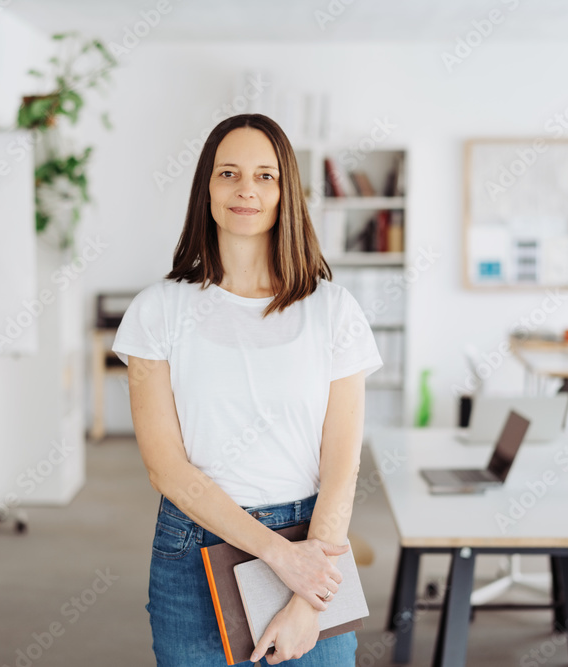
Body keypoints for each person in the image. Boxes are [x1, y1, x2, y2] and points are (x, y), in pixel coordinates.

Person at [113, 113, 382, 666]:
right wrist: (280, 558)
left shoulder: (332, 310)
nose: (246, 190)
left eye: (265, 176)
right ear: (206, 188)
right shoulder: (157, 311)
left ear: (287, 191)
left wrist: (308, 594)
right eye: (228, 173)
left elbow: (341, 464)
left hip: (315, 538)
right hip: (196, 547)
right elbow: (167, 469)